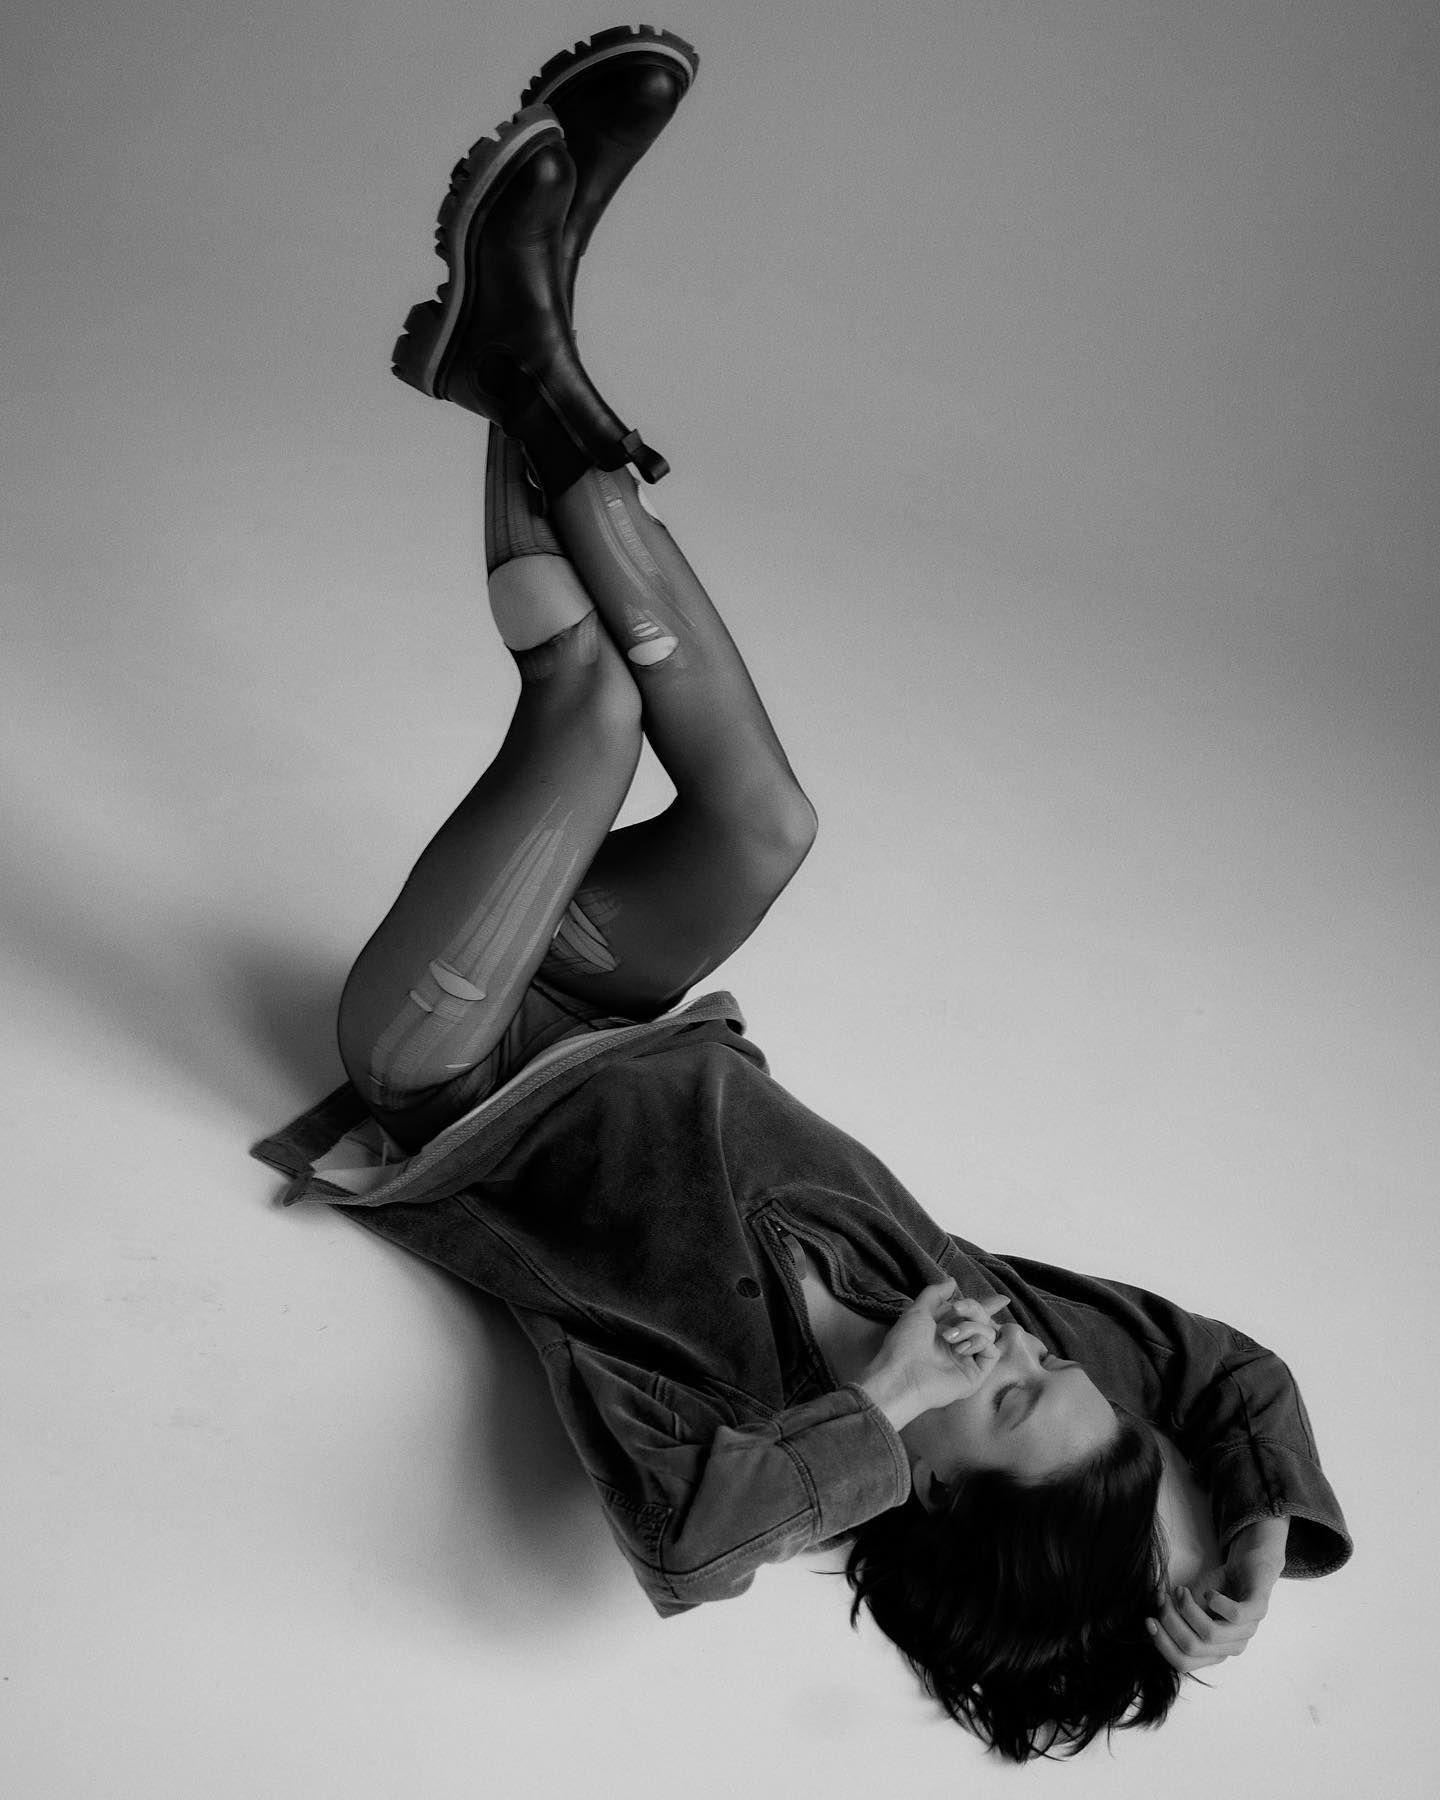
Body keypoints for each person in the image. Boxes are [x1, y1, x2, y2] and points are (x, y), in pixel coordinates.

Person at [253, 27, 1351, 1762]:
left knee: (594, 711)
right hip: (606, 998)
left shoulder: (743, 1419)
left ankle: (526, 350)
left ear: (934, 1485)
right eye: (1050, 1364)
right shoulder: (1001, 1313)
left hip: (444, 1065)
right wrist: (1262, 1523)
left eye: (1004, 1395)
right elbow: (1224, 1367)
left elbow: (687, 1555)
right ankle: (522, 348)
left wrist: (883, 1398)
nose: (1013, 1343)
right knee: (768, 825)